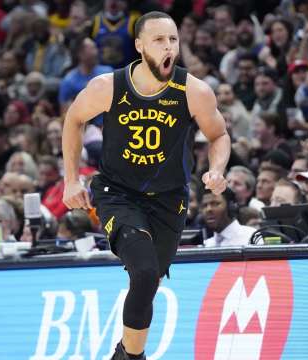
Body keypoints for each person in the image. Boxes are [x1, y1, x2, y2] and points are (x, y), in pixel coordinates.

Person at [62, 11, 230, 360]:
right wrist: (70, 179)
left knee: (148, 281)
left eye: (173, 40)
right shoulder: (108, 87)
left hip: (169, 199)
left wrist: (216, 169)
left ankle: (123, 353)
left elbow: (219, 135)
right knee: (144, 269)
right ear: (139, 46)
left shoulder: (194, 91)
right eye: (159, 40)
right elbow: (74, 119)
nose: (168, 47)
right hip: (117, 193)